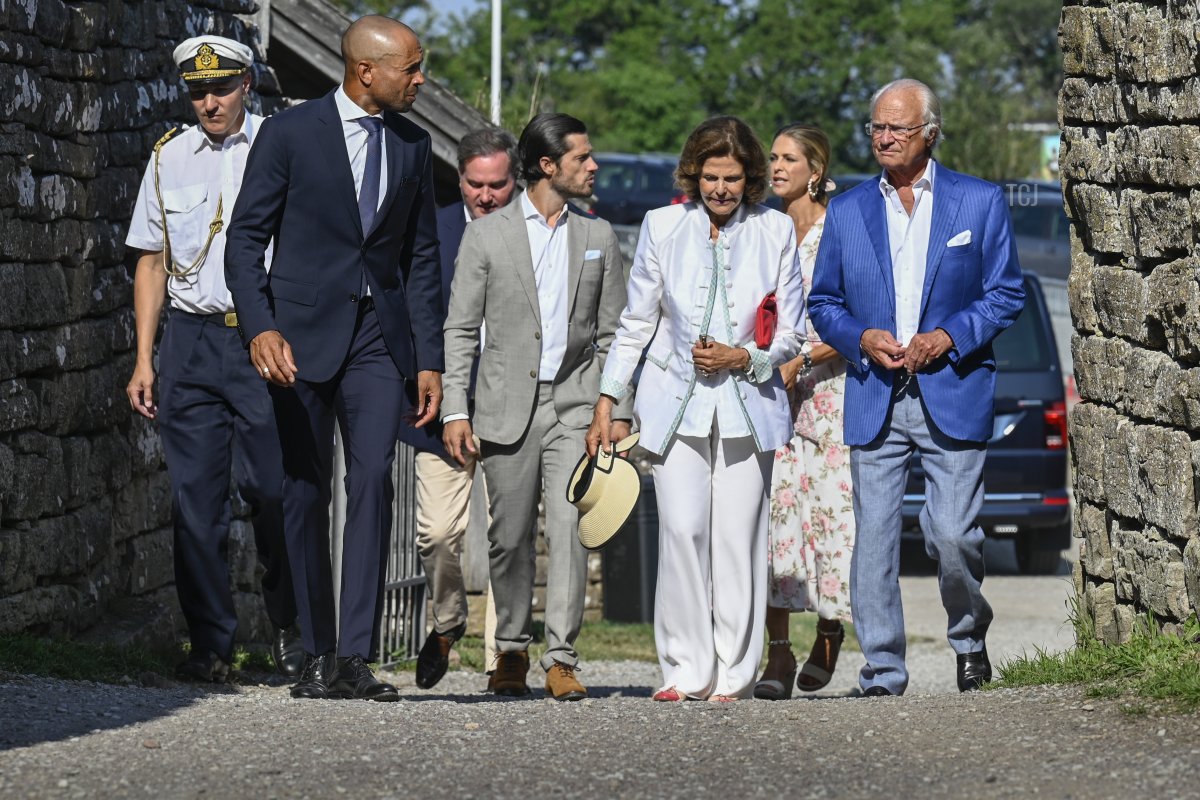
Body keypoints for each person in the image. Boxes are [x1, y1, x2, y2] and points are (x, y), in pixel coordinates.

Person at [224, 16, 444, 702]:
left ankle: (355, 655)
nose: (421, 79)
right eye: (411, 67)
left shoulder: (414, 144)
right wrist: (259, 328)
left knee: (374, 476)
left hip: (379, 341)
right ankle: (314, 653)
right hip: (298, 339)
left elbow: (424, 260)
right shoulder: (289, 134)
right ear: (366, 71)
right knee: (304, 489)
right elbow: (243, 241)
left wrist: (429, 357)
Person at [808, 78, 1024, 696]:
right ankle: (882, 668)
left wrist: (949, 337)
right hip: (876, 392)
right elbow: (823, 302)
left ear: (929, 133)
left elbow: (1006, 292)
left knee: (953, 534)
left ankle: (968, 637)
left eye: (896, 128)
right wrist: (860, 337)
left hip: (951, 389)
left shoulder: (978, 202)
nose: (882, 138)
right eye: (876, 127)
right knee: (872, 541)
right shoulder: (848, 209)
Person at [588, 116, 804, 702]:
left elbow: (792, 335)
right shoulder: (662, 225)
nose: (721, 189)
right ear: (692, 175)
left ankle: (734, 670)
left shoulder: (776, 231)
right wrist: (609, 399)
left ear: (751, 177)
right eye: (710, 177)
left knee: (738, 539)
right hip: (673, 403)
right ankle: (685, 668)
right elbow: (636, 323)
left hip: (748, 404)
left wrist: (744, 356)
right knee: (682, 531)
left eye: (732, 177)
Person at [124, 35, 301, 683]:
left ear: (247, 85)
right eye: (197, 91)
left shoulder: (279, 147)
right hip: (191, 341)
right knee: (195, 504)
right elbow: (150, 258)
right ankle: (212, 645)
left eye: (221, 88)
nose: (209, 101)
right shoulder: (170, 156)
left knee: (274, 492)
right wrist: (145, 358)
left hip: (262, 337)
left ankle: (290, 624)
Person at [441, 113, 630, 701]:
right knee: (509, 536)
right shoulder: (486, 234)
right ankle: (512, 651)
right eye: (582, 157)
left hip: (574, 407)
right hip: (505, 405)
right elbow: (461, 329)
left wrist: (612, 404)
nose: (593, 166)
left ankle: (562, 659)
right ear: (548, 166)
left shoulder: (598, 238)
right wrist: (455, 407)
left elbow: (613, 334)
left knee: (572, 528)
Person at [409, 127, 517, 691]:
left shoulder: (532, 234)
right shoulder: (434, 229)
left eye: (497, 184)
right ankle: (448, 622)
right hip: (441, 407)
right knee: (437, 534)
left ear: (514, 181)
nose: (486, 196)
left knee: (508, 533)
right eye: (475, 184)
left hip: (513, 405)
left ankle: (505, 656)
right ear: (460, 180)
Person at [755, 124, 854, 700]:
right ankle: (777, 654)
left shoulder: (839, 231)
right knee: (772, 526)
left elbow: (863, 317)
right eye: (772, 157)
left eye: (788, 158)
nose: (776, 167)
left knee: (830, 523)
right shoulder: (764, 231)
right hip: (768, 393)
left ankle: (829, 627)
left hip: (828, 395)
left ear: (816, 169)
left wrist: (805, 356)